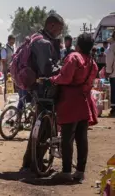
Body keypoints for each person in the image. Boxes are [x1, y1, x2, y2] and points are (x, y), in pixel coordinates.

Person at [49, 33, 98, 182]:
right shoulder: (92, 62)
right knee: (82, 138)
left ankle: (66, 171)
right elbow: (89, 84)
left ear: (77, 45)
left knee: (67, 138)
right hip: (84, 101)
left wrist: (52, 79)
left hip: (69, 101)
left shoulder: (74, 57)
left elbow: (65, 77)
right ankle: (80, 172)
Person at [21, 12, 64, 172]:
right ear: (51, 25)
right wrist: (63, 69)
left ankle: (30, 161)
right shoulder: (44, 43)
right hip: (44, 89)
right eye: (60, 28)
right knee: (44, 127)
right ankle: (35, 163)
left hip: (38, 88)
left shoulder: (38, 38)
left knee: (38, 127)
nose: (60, 32)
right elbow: (47, 69)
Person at [105, 31, 115, 117]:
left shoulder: (111, 48)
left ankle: (114, 109)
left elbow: (109, 60)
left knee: (114, 91)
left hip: (114, 73)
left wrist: (108, 71)